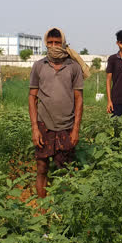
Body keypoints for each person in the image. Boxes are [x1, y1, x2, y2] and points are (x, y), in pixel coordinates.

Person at [29, 28, 89, 198]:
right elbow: (32, 97)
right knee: (42, 168)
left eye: (57, 42)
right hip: (43, 125)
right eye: (50, 43)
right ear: (46, 43)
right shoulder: (39, 66)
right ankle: (42, 207)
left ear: (63, 43)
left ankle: (63, 207)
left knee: (65, 169)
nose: (54, 46)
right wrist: (35, 128)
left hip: (66, 125)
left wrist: (76, 129)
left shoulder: (73, 67)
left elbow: (79, 99)